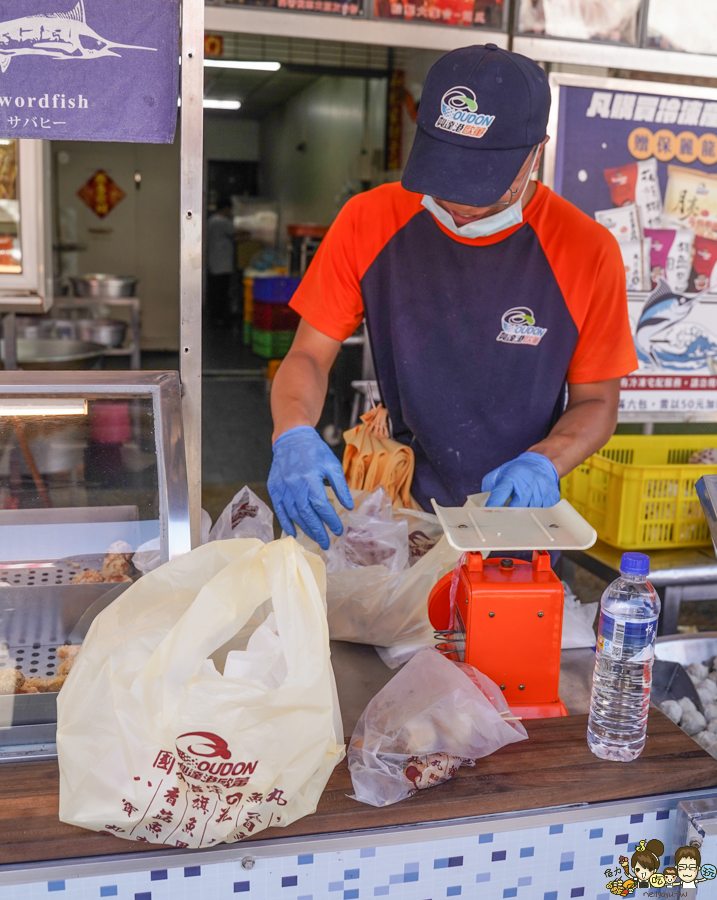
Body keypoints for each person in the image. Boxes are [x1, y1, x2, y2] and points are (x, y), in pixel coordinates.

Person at [268, 44, 638, 550]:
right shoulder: (369, 220)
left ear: (537, 150)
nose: (461, 206)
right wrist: (292, 433)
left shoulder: (586, 250)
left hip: (515, 516)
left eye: (483, 184)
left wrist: (547, 460)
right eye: (446, 179)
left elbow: (597, 402)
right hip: (394, 509)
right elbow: (309, 353)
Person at [205, 196, 236, 325]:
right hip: (222, 265)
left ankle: (215, 317)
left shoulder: (211, 220)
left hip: (214, 263)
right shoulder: (221, 221)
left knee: (215, 292)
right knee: (221, 293)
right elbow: (235, 232)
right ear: (226, 209)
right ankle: (220, 318)